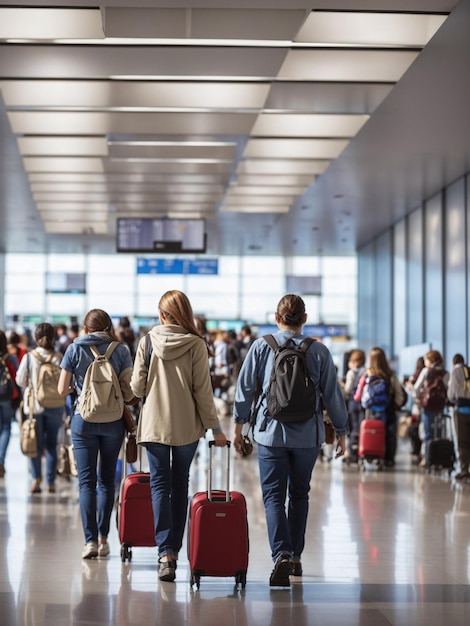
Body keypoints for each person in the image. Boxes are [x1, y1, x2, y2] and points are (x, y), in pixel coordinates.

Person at [232, 294, 348, 587]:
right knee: (299, 495)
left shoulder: (262, 346)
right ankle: (295, 557)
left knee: (273, 496)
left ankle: (280, 553)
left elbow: (245, 389)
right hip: (308, 436)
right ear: (304, 319)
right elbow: (333, 395)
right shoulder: (319, 351)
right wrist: (342, 432)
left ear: (277, 317)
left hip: (270, 433)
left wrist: (238, 427)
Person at [130, 290, 227, 583]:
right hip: (187, 427)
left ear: (162, 314)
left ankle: (165, 554)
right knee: (180, 483)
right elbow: (203, 392)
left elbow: (136, 388)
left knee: (159, 485)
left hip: (155, 426)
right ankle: (176, 547)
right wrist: (216, 428)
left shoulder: (146, 342)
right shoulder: (197, 344)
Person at [58, 309, 135, 559]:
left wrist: (79, 389)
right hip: (114, 421)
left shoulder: (74, 349)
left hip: (84, 420)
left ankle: (89, 541)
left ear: (86, 327)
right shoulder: (120, 350)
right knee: (106, 482)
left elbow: (61, 389)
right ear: (108, 327)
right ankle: (104, 539)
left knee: (86, 483)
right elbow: (129, 392)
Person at [16, 323, 65, 494]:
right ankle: (51, 482)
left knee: (34, 443)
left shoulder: (29, 357)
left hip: (34, 407)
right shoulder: (59, 357)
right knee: (52, 444)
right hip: (56, 405)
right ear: (53, 338)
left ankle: (37, 479)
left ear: (36, 339)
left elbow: (20, 381)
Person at [353, 346, 405, 467]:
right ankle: (388, 459)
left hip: (369, 410)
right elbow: (399, 393)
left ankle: (369, 453)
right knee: (389, 435)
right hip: (388, 410)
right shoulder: (390, 374)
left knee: (370, 431)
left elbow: (360, 394)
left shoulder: (366, 374)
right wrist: (397, 405)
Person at [413, 349, 449, 468]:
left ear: (431, 360)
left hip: (428, 406)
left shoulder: (426, 371)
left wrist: (418, 398)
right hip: (440, 406)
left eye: (426, 360)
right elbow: (447, 391)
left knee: (428, 433)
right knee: (438, 432)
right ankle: (438, 459)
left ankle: (428, 459)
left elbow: (416, 388)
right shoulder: (445, 373)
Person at [447, 353, 470, 479]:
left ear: (453, 362)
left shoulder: (456, 372)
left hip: (461, 410)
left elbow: (451, 394)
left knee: (462, 441)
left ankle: (464, 469)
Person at [0, 330, 19, 479]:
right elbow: (17, 379)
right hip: (7, 397)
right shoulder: (10, 358)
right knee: (6, 428)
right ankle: (0, 462)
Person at [343, 349, 366, 463]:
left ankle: (353, 452)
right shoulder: (366, 372)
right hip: (363, 403)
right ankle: (361, 450)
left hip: (353, 402)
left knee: (353, 427)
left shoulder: (351, 373)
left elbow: (347, 390)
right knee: (361, 427)